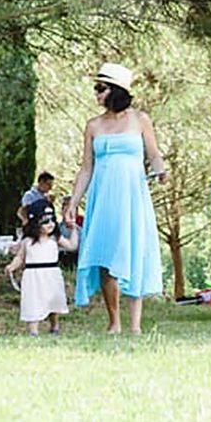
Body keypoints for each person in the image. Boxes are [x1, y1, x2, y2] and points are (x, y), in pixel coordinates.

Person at [64, 62, 166, 335]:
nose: (96, 94)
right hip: (103, 194)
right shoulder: (93, 125)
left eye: (101, 88)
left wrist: (161, 171)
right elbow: (86, 168)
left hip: (132, 194)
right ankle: (114, 321)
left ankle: (135, 324)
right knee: (105, 254)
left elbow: (153, 153)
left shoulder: (140, 120)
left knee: (133, 251)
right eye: (96, 89)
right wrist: (74, 202)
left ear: (117, 90)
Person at [5, 207, 77, 335]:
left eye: (52, 221)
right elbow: (20, 257)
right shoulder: (27, 241)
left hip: (51, 274)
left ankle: (54, 326)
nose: (50, 224)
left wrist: (73, 229)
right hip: (33, 276)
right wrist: (12, 266)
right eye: (45, 222)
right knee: (33, 301)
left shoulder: (55, 238)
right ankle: (33, 330)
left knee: (53, 301)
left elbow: (72, 246)